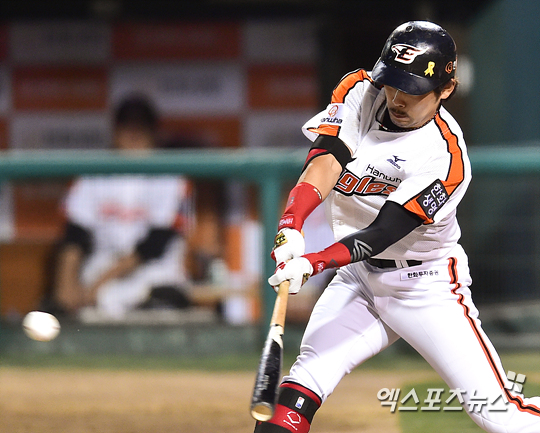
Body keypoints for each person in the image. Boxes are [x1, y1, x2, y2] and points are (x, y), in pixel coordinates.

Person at [256, 21, 540, 433]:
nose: (397, 98)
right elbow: (326, 160)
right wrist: (291, 225)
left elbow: (382, 234)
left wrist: (312, 263)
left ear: (446, 89)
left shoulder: (445, 158)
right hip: (358, 278)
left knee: (500, 416)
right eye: (393, 83)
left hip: (424, 286)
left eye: (413, 90)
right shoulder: (360, 90)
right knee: (299, 390)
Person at [52, 95, 193, 319]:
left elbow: (154, 245)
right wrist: (65, 286)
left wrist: (99, 284)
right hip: (99, 270)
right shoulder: (93, 174)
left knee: (162, 302)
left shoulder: (170, 177)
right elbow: (74, 235)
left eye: (140, 127)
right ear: (115, 130)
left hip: (154, 277)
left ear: (153, 132)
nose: (133, 134)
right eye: (127, 127)